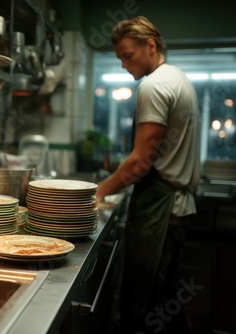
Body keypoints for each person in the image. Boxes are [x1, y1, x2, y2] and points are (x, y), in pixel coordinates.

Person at [95, 16, 200, 333]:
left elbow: (140, 162)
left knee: (146, 306)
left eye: (129, 55)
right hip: (175, 209)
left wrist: (98, 192)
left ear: (150, 45)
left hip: (162, 209)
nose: (125, 64)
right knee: (165, 300)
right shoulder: (178, 78)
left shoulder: (154, 86)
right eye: (120, 58)